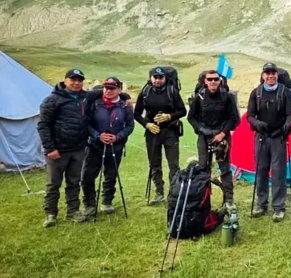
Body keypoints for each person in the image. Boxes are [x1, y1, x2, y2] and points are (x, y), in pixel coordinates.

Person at [37, 69, 90, 227]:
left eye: (79, 80)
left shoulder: (85, 97)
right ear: (65, 81)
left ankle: (73, 211)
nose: (76, 83)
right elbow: (43, 125)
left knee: (74, 182)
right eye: (73, 79)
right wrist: (49, 148)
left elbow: (106, 92)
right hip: (58, 150)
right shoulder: (52, 100)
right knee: (53, 184)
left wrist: (125, 98)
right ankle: (50, 214)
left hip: (78, 149)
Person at [79, 77, 134, 220]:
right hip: (94, 146)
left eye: (112, 88)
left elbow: (130, 126)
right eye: (106, 88)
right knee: (87, 176)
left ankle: (107, 201)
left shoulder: (125, 106)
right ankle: (90, 204)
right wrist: (98, 135)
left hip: (116, 147)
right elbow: (86, 123)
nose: (108, 91)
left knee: (111, 175)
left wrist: (117, 137)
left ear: (119, 90)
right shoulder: (94, 103)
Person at [247, 62, 291, 222]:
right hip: (261, 137)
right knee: (261, 170)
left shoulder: (285, 92)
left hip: (278, 137)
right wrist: (257, 123)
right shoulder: (256, 93)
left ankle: (279, 207)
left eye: (273, 73)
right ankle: (261, 204)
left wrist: (288, 124)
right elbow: (250, 115)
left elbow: (290, 114)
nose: (270, 76)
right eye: (267, 73)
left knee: (278, 172)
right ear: (263, 76)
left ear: (277, 75)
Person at [187, 70, 240, 208]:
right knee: (203, 168)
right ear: (205, 81)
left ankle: (229, 200)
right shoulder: (199, 97)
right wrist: (202, 129)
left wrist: (222, 133)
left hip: (222, 136)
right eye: (210, 79)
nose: (213, 82)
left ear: (220, 81)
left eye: (215, 79)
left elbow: (233, 118)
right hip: (204, 136)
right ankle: (203, 198)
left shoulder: (227, 97)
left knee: (225, 169)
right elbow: (191, 117)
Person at [134, 67, 186, 205]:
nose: (157, 80)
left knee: (173, 164)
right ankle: (159, 192)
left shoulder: (172, 91)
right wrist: (147, 124)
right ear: (151, 78)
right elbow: (137, 114)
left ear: (165, 78)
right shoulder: (145, 92)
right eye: (155, 77)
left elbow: (183, 111)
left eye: (160, 78)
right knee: (154, 163)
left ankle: (174, 193)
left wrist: (169, 116)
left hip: (170, 131)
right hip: (152, 131)